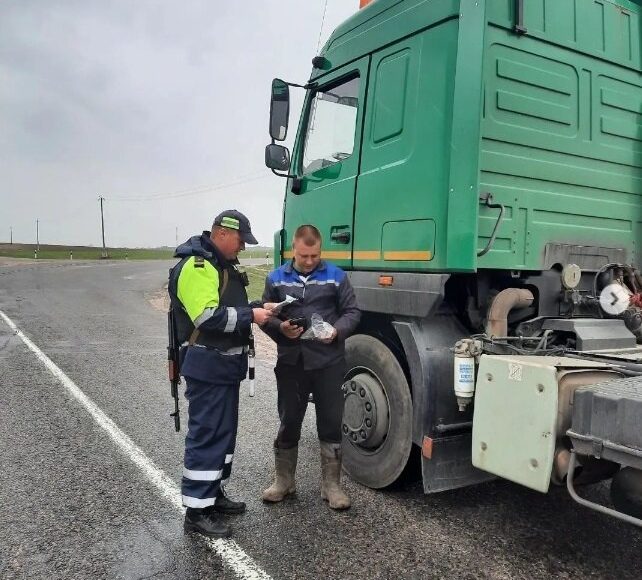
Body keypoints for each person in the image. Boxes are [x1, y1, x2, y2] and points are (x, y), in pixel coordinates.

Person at [168, 210, 273, 538]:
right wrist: (251, 316)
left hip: (224, 368)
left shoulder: (218, 265)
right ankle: (197, 510)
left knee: (224, 434)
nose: (242, 247)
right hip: (207, 366)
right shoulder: (198, 266)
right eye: (241, 240)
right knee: (207, 434)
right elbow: (208, 318)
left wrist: (257, 307)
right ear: (223, 234)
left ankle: (212, 493)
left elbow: (228, 305)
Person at [260, 224, 361, 510]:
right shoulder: (276, 278)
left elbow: (353, 312)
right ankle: (283, 482)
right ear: (294, 249)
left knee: (330, 422)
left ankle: (332, 486)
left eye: (314, 255)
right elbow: (265, 315)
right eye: (304, 256)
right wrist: (282, 328)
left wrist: (337, 331)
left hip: (328, 362)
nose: (308, 261)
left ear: (320, 251)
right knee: (289, 421)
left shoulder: (336, 276)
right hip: (291, 363)